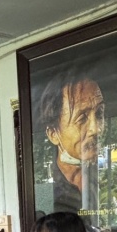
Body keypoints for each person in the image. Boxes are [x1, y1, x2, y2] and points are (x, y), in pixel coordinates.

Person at [37, 73, 105, 216]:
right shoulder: (45, 198)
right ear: (53, 134)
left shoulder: (102, 181)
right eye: (82, 119)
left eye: (99, 114)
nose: (96, 129)